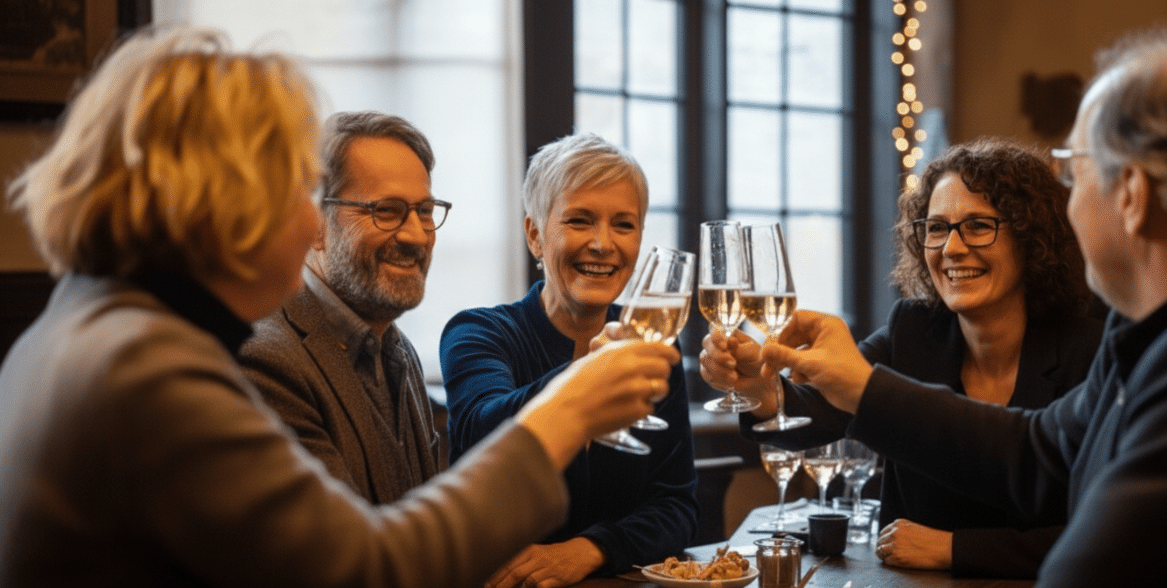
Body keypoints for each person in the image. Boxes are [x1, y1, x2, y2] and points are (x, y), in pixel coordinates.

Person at [0, 27, 680, 587]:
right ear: (219, 196)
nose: (308, 225)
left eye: (423, 210)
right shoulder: (153, 368)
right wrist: (570, 407)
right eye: (299, 190)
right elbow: (368, 569)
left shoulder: (95, 322)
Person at [754, 24, 1167, 587]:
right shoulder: (1165, 332)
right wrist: (861, 387)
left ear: (1132, 195)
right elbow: (1037, 452)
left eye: (1074, 171)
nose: (1067, 203)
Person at [702, 137, 1101, 578]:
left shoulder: (1089, 350)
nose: (951, 248)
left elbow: (1101, 535)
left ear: (1031, 236)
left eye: (978, 226)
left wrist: (956, 548)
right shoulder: (914, 327)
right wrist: (762, 390)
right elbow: (820, 410)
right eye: (936, 228)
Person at [440, 132, 697, 587]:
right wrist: (585, 377)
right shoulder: (477, 332)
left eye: (624, 224)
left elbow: (676, 506)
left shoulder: (656, 345)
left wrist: (590, 550)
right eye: (580, 220)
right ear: (535, 235)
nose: (603, 244)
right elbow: (482, 433)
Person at [239, 111, 448, 504]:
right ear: (315, 223)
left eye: (424, 211)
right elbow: (352, 557)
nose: (417, 236)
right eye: (386, 210)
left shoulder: (397, 349)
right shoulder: (266, 361)